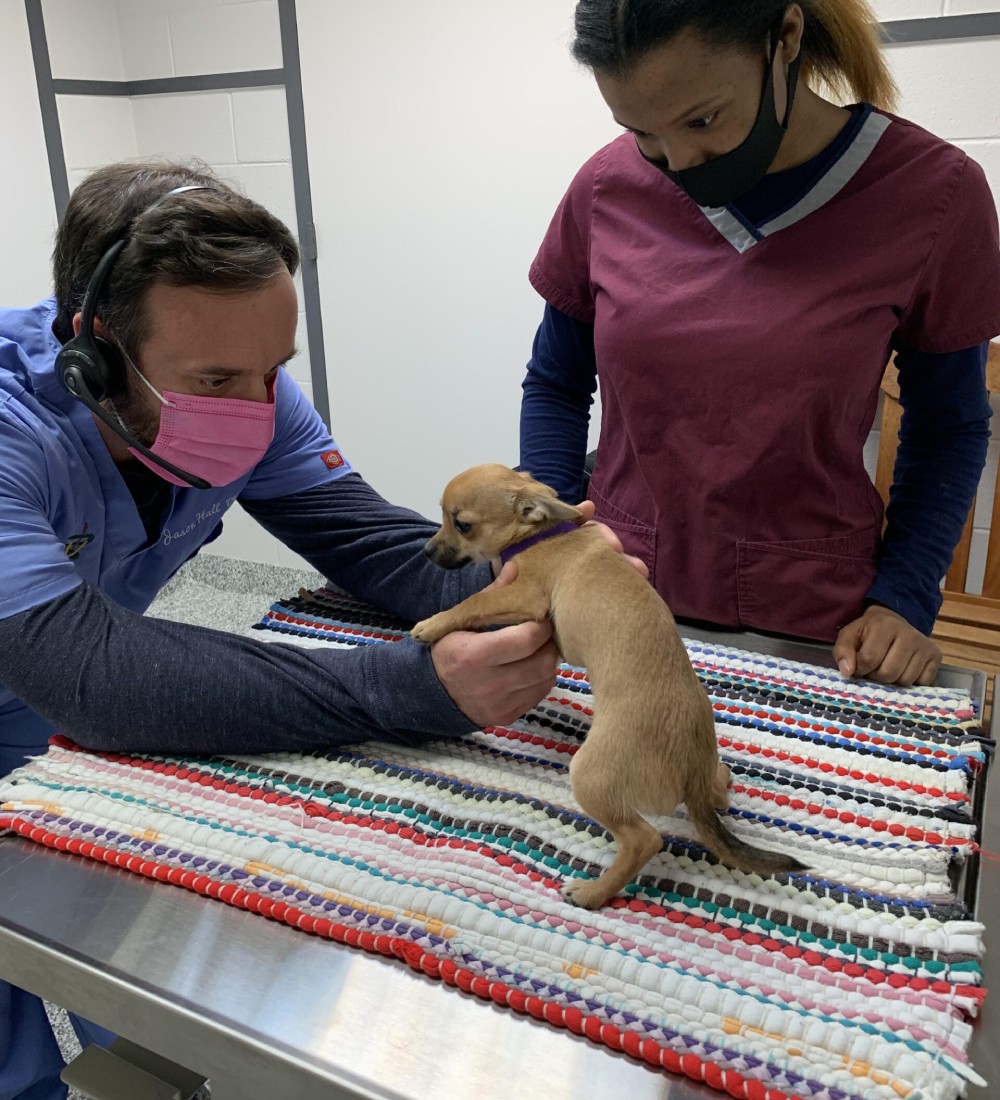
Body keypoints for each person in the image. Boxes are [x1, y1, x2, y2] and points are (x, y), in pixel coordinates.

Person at [0, 161, 574, 1100]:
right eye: (217, 378)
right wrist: (408, 691)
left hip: (43, 691)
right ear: (94, 351)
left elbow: (368, 542)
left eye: (273, 371)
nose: (257, 409)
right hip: (51, 668)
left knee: (102, 935)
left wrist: (535, 570)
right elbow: (90, 677)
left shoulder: (246, 396)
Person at [520, 0, 1000, 688]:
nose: (679, 161)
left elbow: (950, 424)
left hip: (816, 624)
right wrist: (549, 539)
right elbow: (556, 382)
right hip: (619, 593)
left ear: (787, 37)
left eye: (703, 120)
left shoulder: (934, 193)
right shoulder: (606, 186)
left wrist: (904, 596)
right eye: (642, 132)